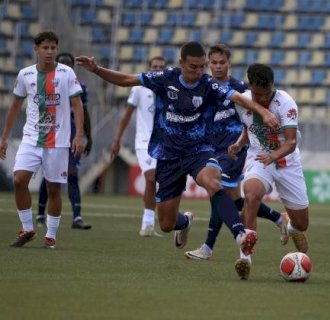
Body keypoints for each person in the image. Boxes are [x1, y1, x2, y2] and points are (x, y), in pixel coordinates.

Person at [76, 42, 279, 265]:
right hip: (169, 155)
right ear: (181, 63)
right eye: (193, 67)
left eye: (202, 67)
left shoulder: (208, 84)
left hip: (198, 150)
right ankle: (184, 223)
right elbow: (127, 80)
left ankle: (240, 234)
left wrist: (263, 111)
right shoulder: (166, 77)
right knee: (165, 223)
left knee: (213, 182)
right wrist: (97, 69)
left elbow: (238, 98)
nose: (199, 71)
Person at [184, 44, 288, 261]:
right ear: (208, 64)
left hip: (233, 151)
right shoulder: (206, 88)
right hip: (212, 148)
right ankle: (279, 219)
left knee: (217, 193)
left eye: (222, 62)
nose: (218, 66)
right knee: (234, 202)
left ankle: (208, 248)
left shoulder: (242, 90)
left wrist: (242, 143)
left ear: (229, 63)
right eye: (214, 62)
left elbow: (255, 119)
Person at [0, 31, 85, 249]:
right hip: (31, 138)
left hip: (58, 141)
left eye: (53, 48)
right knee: (19, 180)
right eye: (45, 48)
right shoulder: (25, 75)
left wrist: (79, 135)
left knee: (53, 189)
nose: (49, 52)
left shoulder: (67, 73)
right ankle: (27, 228)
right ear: (36, 49)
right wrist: (5, 138)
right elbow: (15, 107)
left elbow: (77, 104)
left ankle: (50, 235)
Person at [229, 63, 310, 280]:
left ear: (272, 86)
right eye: (257, 94)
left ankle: (290, 226)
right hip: (258, 159)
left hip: (287, 163)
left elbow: (291, 142)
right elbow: (249, 127)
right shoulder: (244, 100)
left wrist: (273, 156)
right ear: (250, 87)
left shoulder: (285, 103)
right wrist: (239, 144)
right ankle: (245, 258)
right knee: (252, 195)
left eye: (265, 94)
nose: (262, 99)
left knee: (303, 223)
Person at [111, 56, 167, 237]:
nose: (157, 70)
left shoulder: (171, 89)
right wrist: (117, 139)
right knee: (151, 178)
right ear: (148, 68)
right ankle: (147, 224)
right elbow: (126, 115)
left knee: (158, 183)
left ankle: (151, 222)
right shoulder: (139, 88)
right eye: (154, 67)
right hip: (144, 142)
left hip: (166, 143)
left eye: (161, 67)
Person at [36, 52, 92, 230]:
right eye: (62, 63)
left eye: (69, 63)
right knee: (49, 175)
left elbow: (84, 112)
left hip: (71, 134)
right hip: (50, 133)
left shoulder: (79, 86)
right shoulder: (45, 83)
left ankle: (77, 217)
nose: (66, 65)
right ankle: (39, 214)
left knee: (72, 175)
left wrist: (86, 136)